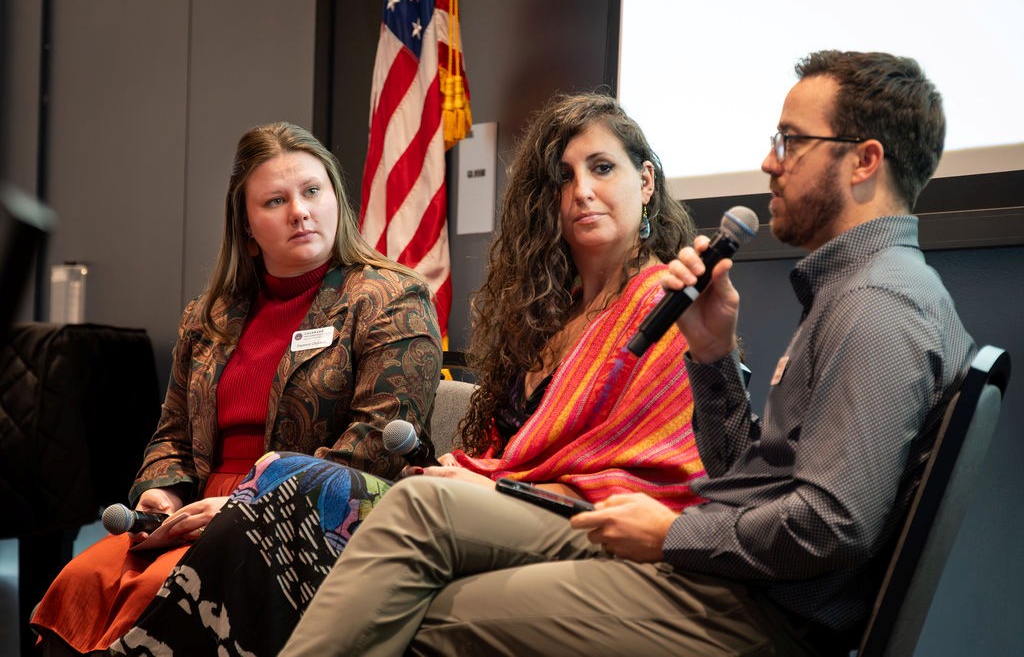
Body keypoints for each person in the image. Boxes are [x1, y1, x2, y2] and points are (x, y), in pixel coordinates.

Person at [279, 50, 977, 657]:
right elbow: (745, 480)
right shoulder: (859, 290)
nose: (769, 160)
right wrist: (707, 356)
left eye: (791, 141)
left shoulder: (879, 307)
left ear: (865, 160)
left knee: (433, 593)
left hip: (754, 614)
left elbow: (832, 524)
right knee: (423, 528)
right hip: (739, 584)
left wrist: (675, 532)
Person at [104, 92, 708, 656]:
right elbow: (173, 431)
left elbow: (642, 468)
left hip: (583, 515)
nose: (581, 191)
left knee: (290, 485)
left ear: (646, 180)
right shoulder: (547, 316)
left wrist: (494, 484)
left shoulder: (668, 298)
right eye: (563, 177)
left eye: (602, 168)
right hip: (488, 500)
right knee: (142, 552)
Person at [30, 122, 443, 655]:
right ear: (247, 227)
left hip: (311, 519)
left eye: (312, 191)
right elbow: (172, 435)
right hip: (195, 515)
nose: (299, 211)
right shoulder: (209, 318)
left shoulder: (390, 297)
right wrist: (162, 494)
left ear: (335, 200)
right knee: (82, 581)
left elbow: (376, 446)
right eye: (275, 200)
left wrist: (246, 505)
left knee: (155, 600)